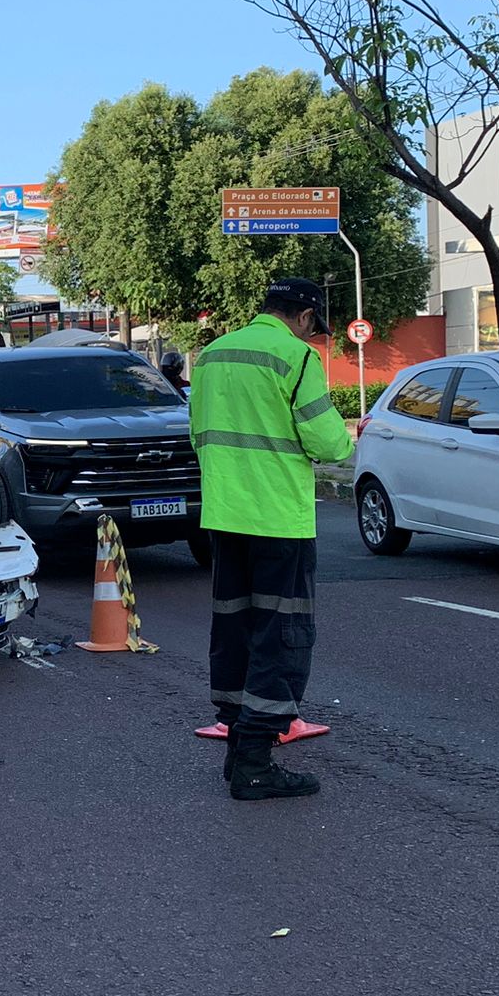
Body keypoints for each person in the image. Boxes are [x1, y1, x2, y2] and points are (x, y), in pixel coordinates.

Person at [189, 278, 354, 801]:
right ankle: (256, 762)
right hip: (279, 518)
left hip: (225, 514)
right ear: (304, 316)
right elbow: (329, 442)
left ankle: (239, 749)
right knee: (279, 636)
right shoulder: (296, 357)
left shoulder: (212, 354)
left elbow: (198, 433)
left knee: (235, 630)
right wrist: (349, 436)